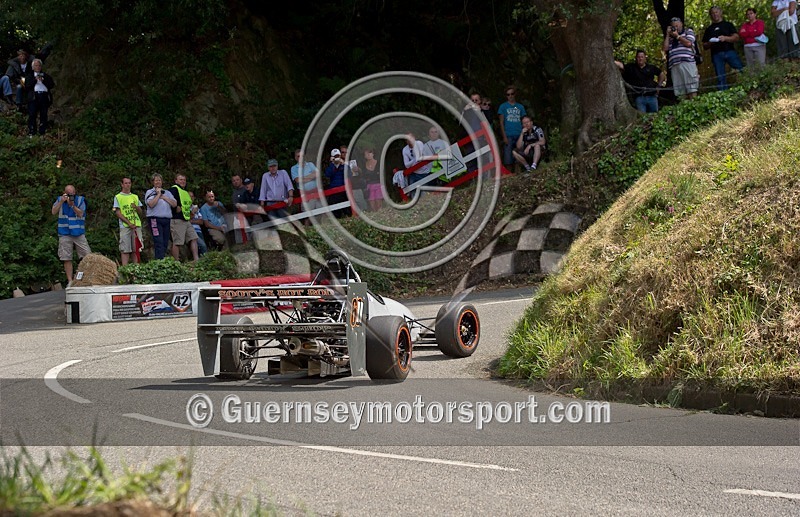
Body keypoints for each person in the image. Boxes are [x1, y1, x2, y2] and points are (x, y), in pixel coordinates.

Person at [51, 184, 91, 283]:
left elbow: (81, 213)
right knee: (66, 257)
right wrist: (61, 201)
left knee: (87, 255)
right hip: (64, 232)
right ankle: (70, 280)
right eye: (68, 194)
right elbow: (53, 212)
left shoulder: (80, 200)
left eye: (72, 193)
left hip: (78, 233)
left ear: (75, 192)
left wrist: (72, 205)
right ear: (64, 193)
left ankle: (85, 278)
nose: (70, 196)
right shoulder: (60, 199)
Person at [703, 6, 744, 90]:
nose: (715, 15)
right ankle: (723, 94)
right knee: (720, 76)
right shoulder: (709, 29)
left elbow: (736, 37)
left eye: (716, 12)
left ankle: (746, 86)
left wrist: (725, 38)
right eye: (712, 13)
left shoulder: (728, 25)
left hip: (730, 51)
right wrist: (710, 43)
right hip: (716, 54)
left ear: (720, 12)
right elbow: (704, 45)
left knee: (741, 69)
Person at [663, 17, 700, 101]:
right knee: (680, 92)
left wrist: (677, 36)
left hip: (687, 62)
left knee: (692, 88)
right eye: (673, 26)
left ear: (681, 24)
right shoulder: (670, 37)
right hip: (674, 65)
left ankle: (694, 105)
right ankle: (684, 109)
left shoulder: (688, 31)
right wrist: (668, 34)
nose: (675, 27)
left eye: (677, 25)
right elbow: (665, 49)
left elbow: (689, 43)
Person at [144, 173, 177, 260]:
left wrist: (164, 197)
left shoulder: (168, 193)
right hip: (155, 219)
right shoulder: (150, 192)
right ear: (153, 182)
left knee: (165, 241)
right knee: (158, 241)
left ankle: (162, 259)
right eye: (156, 180)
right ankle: (159, 260)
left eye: (159, 180)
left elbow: (174, 204)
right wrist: (158, 195)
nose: (158, 182)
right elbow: (151, 204)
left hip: (166, 219)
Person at [167, 173, 199, 261]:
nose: (183, 181)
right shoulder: (174, 189)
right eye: (180, 179)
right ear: (176, 180)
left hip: (186, 219)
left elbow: (185, 205)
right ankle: (176, 262)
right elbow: (169, 200)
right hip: (177, 219)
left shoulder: (185, 192)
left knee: (193, 237)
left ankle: (196, 260)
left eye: (184, 180)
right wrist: (174, 208)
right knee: (177, 242)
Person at [112, 177, 144, 265]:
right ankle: (125, 269)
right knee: (125, 249)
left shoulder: (135, 196)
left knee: (136, 248)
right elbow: (118, 213)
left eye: (129, 183)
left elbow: (141, 212)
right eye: (126, 183)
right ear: (122, 185)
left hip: (136, 225)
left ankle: (136, 269)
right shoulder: (118, 197)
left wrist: (137, 207)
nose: (128, 185)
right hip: (125, 226)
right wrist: (128, 223)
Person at [497, 86, 527, 166]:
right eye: (508, 94)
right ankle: (509, 174)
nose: (510, 96)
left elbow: (524, 121)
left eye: (512, 94)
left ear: (515, 94)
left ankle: (519, 171)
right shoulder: (503, 107)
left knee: (519, 153)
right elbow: (501, 122)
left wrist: (524, 133)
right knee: (508, 156)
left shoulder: (520, 107)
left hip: (519, 134)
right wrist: (504, 136)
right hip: (508, 134)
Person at [24, 58, 55, 136]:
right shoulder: (29, 76)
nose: (37, 67)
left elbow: (51, 85)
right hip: (34, 96)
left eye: (39, 65)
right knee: (32, 114)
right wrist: (35, 80)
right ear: (33, 67)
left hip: (44, 96)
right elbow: (27, 86)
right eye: (36, 65)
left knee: (43, 114)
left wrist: (43, 80)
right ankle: (32, 131)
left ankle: (42, 131)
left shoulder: (46, 75)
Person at [291, 149, 321, 222]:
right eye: (298, 156)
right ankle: (308, 231)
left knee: (320, 213)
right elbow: (298, 180)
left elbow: (317, 174)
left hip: (316, 192)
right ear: (295, 158)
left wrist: (303, 178)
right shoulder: (294, 168)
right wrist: (311, 176)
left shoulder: (310, 164)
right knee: (307, 216)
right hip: (305, 195)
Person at [324, 149, 350, 218]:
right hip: (334, 191)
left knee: (348, 211)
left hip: (344, 191)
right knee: (335, 212)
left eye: (338, 156)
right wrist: (332, 164)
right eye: (335, 156)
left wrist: (343, 164)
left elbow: (349, 173)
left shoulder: (343, 165)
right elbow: (327, 174)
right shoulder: (331, 166)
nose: (337, 158)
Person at [189, 192, 208, 256]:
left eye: (192, 196)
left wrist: (191, 221)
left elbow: (201, 222)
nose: (190, 198)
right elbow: (186, 221)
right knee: (203, 246)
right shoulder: (185, 208)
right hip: (191, 230)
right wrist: (193, 212)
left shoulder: (196, 207)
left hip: (199, 230)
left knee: (201, 247)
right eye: (189, 196)